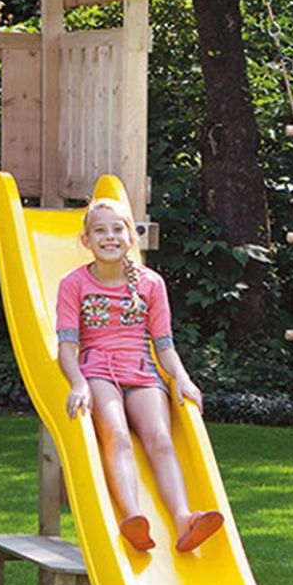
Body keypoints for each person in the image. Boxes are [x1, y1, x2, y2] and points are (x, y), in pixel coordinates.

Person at [57, 197, 225, 554]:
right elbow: (67, 346)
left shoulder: (151, 283)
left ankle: (183, 520)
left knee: (161, 438)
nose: (109, 236)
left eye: (117, 229)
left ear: (131, 237)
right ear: (86, 240)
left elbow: (164, 344)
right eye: (99, 231)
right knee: (116, 435)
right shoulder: (73, 284)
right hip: (98, 370)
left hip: (141, 369)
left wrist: (182, 378)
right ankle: (133, 517)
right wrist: (78, 383)